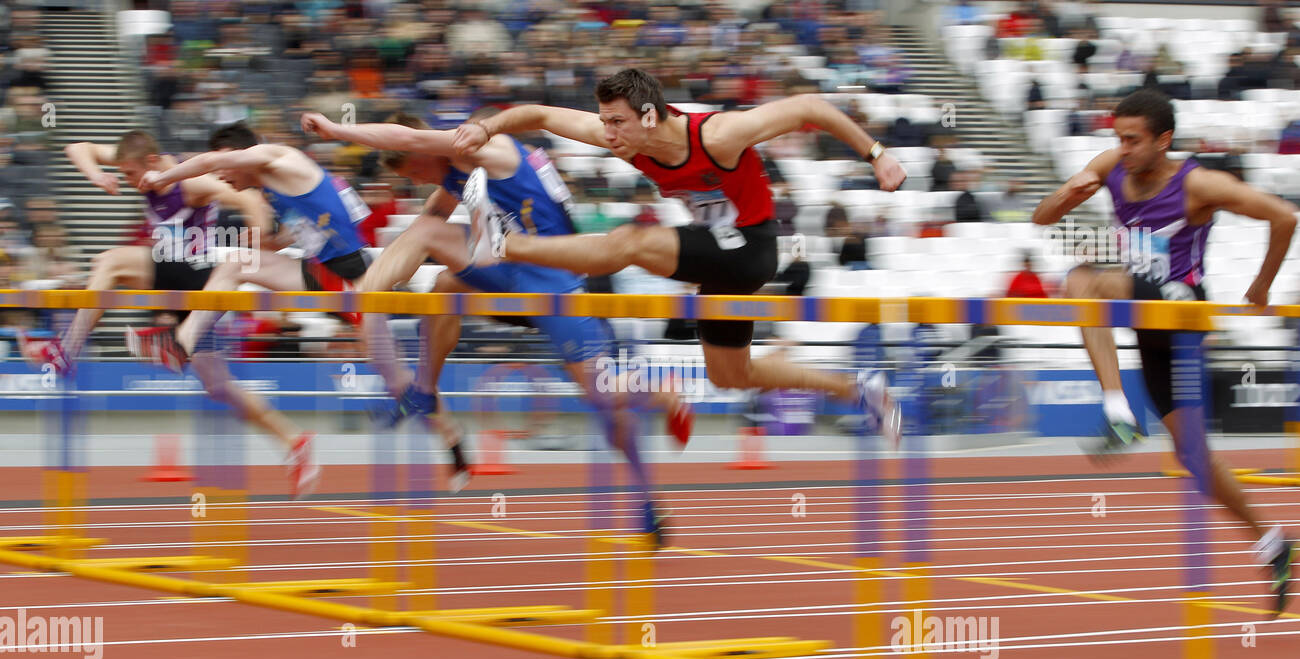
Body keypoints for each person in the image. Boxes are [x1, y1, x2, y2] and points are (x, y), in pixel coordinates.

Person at [452, 67, 905, 446]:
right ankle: (857, 389)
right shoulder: (626, 138)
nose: (607, 135)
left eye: (616, 123)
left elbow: (810, 107)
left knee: (630, 241)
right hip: (716, 257)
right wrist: (486, 127)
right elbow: (542, 114)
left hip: (752, 246)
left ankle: (506, 245)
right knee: (731, 374)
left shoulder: (718, 135)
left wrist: (876, 154)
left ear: (649, 115)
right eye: (604, 122)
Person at [300, 108, 691, 542]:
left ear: (422, 145)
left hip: (556, 281)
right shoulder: (453, 174)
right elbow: (429, 219)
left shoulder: (484, 148)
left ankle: (653, 463)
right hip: (513, 273)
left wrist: (338, 131)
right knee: (445, 281)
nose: (420, 179)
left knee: (606, 401)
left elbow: (408, 146)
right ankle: (420, 388)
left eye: (416, 168)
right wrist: (396, 270)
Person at [1032, 88, 1298, 615]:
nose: (1123, 148)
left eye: (1133, 140)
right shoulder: (1110, 167)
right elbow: (1042, 219)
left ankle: (1117, 409)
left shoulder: (1199, 184)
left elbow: (1284, 216)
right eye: (1117, 138)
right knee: (1193, 458)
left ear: (1164, 140)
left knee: (1083, 278)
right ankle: (1271, 541)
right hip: (1142, 317)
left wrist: (1261, 287)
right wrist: (1066, 197)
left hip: (1178, 310)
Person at [18, 131, 321, 498]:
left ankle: (65, 351)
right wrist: (96, 175)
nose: (130, 183)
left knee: (110, 262)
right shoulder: (138, 163)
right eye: (123, 174)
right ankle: (295, 441)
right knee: (218, 385)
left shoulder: (190, 180)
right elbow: (77, 147)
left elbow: (247, 197)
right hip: (181, 289)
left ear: (150, 162)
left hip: (196, 273)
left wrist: (255, 237)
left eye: (130, 175)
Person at [124, 122, 380, 497]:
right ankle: (180, 344)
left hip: (359, 282)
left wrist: (162, 176)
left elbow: (213, 160)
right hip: (321, 275)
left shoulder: (276, 156)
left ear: (238, 155)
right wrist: (266, 240)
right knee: (238, 263)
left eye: (223, 169)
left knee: (406, 386)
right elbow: (307, 233)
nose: (220, 177)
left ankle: (454, 448)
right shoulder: (271, 190)